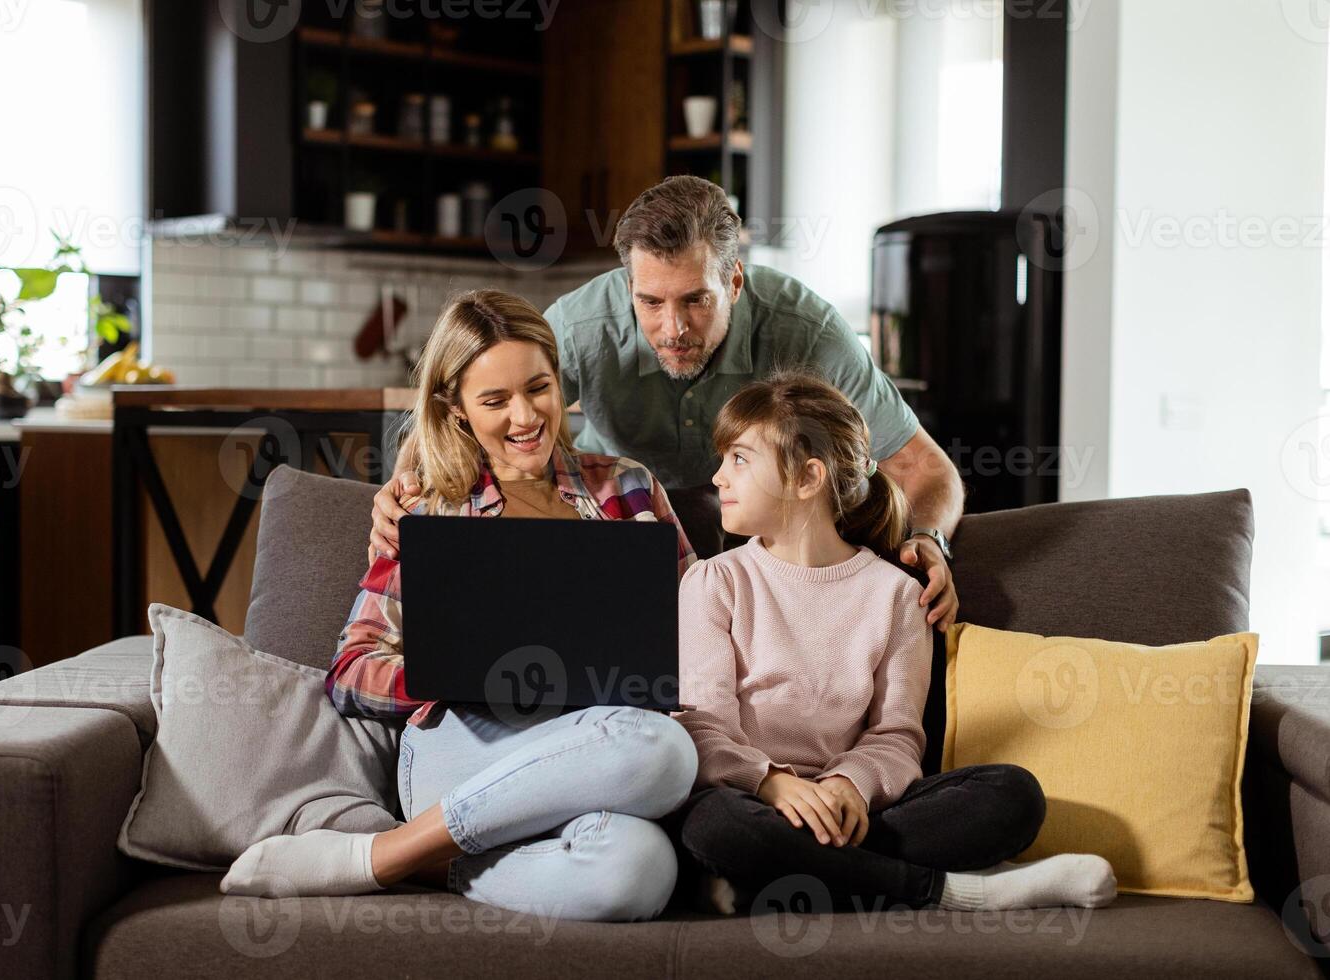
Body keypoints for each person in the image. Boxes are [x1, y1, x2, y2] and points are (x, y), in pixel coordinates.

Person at [220, 289, 701, 923]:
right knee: (663, 751)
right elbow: (350, 669)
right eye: (495, 400)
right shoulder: (430, 505)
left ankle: (423, 860)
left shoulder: (628, 488)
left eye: (539, 388)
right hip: (463, 747)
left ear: (561, 382)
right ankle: (382, 856)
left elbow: (699, 628)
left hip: (596, 752)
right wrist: (454, 668)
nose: (525, 416)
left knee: (641, 869)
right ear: (457, 409)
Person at [371, 176, 964, 631]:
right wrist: (401, 497)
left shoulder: (806, 331)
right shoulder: (582, 327)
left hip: (756, 532)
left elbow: (924, 469)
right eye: (650, 302)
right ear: (627, 283)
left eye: (695, 300)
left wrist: (928, 541)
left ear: (733, 282)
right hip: (621, 531)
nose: (672, 328)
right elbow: (472, 415)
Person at [670, 370, 1116, 914]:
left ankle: (777, 877)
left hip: (858, 812)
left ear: (808, 478)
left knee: (1013, 795)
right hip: (751, 801)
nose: (717, 477)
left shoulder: (897, 596)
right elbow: (704, 727)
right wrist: (772, 786)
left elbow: (897, 736)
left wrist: (850, 785)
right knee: (713, 825)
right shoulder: (714, 583)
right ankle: (948, 891)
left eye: (739, 459)